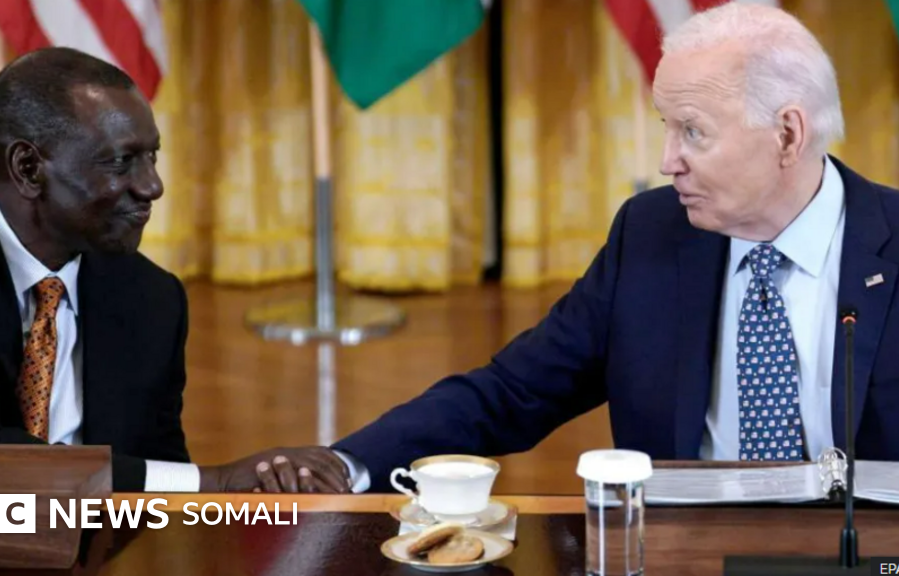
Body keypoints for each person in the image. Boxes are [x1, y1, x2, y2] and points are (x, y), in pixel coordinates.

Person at [331, 2, 899, 492]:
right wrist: (346, 464)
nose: (667, 161)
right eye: (666, 126)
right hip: (681, 553)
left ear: (787, 134)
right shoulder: (651, 232)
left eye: (693, 132)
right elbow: (514, 390)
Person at [0, 47, 349, 494]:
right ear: (29, 168)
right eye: (122, 161)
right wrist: (215, 481)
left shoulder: (150, 298)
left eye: (152, 157)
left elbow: (158, 476)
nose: (152, 186)